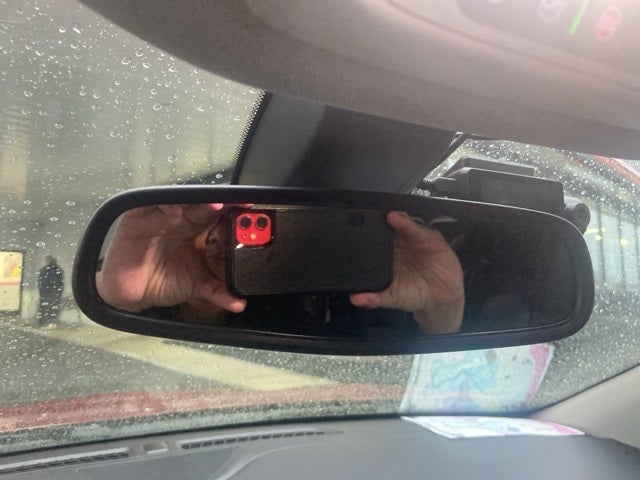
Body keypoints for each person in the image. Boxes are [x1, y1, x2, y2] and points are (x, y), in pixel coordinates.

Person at [97, 204, 464, 334]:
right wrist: (125, 301)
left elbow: (402, 351)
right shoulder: (167, 281)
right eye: (236, 220)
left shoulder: (327, 307)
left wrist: (445, 304)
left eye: (267, 227)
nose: (224, 238)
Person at [37, 255, 65, 327]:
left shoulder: (44, 270)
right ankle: (52, 322)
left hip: (45, 292)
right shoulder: (58, 270)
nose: (45, 262)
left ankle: (42, 322)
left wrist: (41, 291)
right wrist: (59, 292)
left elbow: (41, 282)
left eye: (46, 260)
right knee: (53, 308)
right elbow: (61, 283)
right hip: (55, 293)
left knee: (44, 308)